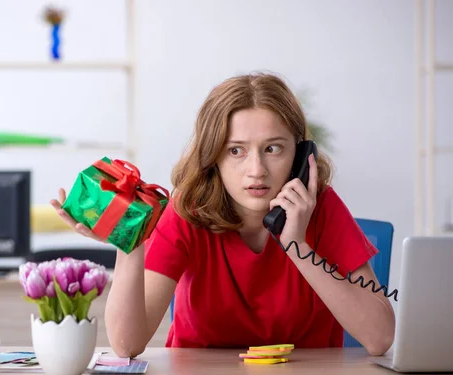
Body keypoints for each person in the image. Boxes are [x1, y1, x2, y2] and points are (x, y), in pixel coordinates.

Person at [50, 72, 395, 358]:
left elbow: (380, 338)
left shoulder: (320, 207)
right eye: (236, 151)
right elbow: (126, 346)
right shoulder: (187, 210)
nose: (256, 170)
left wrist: (297, 246)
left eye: (273, 148)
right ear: (212, 156)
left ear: (301, 155)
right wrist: (129, 243)